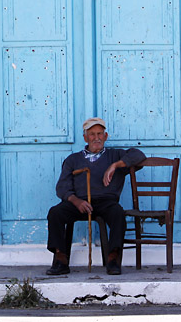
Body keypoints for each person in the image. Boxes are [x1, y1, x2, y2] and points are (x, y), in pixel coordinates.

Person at [45, 117, 145, 276]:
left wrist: (115, 165)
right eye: (92, 134)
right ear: (85, 137)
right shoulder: (73, 160)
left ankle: (113, 258)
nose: (96, 137)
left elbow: (139, 155)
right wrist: (76, 201)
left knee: (118, 213)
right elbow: (62, 187)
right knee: (55, 213)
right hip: (79, 202)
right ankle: (60, 259)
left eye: (100, 133)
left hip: (106, 202)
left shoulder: (115, 155)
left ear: (105, 136)